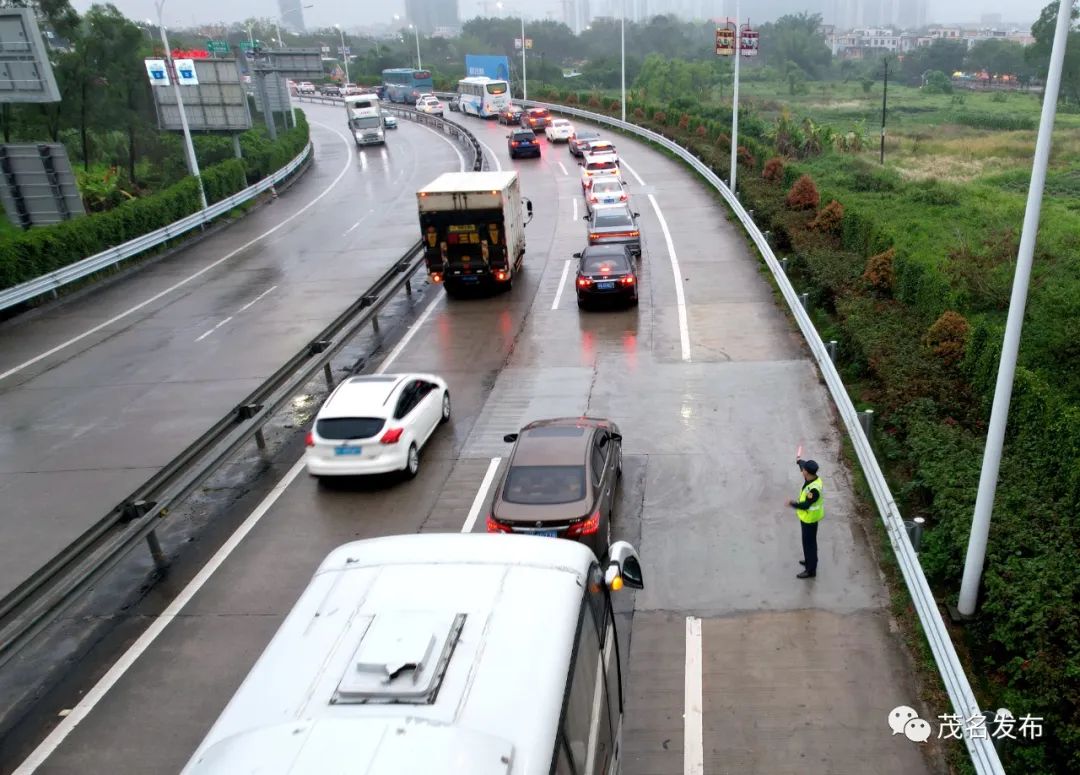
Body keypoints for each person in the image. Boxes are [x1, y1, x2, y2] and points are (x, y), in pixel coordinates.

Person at [788, 458, 824, 579]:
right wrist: (799, 461)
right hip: (806, 518)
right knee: (807, 542)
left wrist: (792, 504)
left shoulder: (814, 490)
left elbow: (805, 505)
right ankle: (809, 561)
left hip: (810, 519)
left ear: (807, 472)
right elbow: (803, 465)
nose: (802, 471)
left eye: (803, 470)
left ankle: (811, 570)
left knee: (810, 544)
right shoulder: (811, 477)